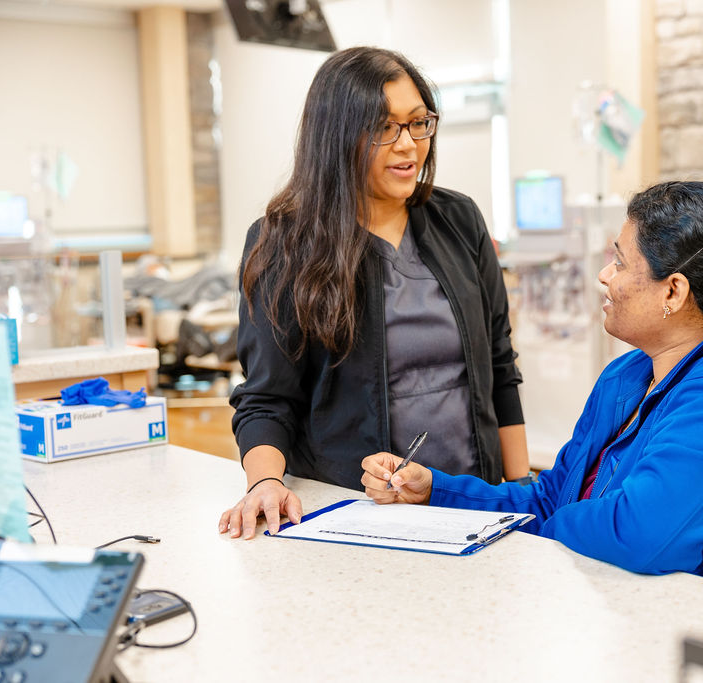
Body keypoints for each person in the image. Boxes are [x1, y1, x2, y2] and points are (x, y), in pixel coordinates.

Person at [362, 181, 703, 599]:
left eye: (621, 262)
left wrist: (538, 528)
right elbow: (552, 496)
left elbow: (640, 537)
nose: (604, 274)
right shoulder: (627, 376)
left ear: (674, 290)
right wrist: (435, 491)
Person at [219, 47, 529, 540]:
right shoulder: (284, 242)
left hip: (472, 500)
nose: (407, 145)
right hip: (356, 512)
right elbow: (266, 399)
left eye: (417, 123)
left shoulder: (459, 219)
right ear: (337, 137)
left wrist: (519, 488)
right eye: (384, 128)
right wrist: (265, 483)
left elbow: (499, 366)